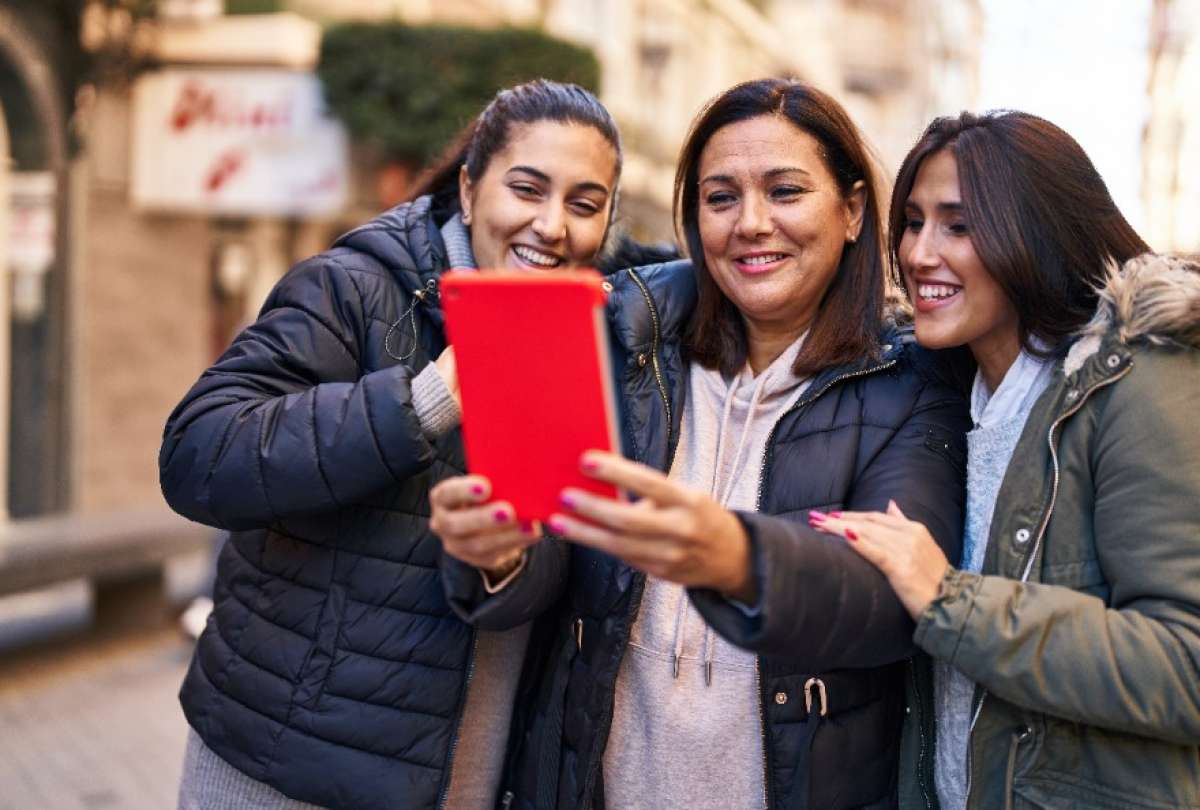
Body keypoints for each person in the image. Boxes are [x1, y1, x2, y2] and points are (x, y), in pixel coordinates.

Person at [431, 78, 971, 809]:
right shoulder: (626, 342)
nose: (750, 223)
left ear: (849, 211)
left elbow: (888, 603)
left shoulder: (913, 382)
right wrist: (499, 557)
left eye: (784, 191)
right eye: (720, 198)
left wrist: (736, 555)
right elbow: (552, 562)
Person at [159, 79, 623, 810]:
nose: (552, 226)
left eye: (585, 204)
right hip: (281, 768)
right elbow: (198, 455)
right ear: (469, 191)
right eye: (527, 189)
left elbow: (545, 569)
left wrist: (504, 563)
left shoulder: (579, 336)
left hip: (456, 775)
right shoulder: (352, 289)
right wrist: (426, 400)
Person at [810, 111, 1200, 809]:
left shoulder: (1138, 385)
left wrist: (948, 600)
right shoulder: (941, 394)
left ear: (1038, 234)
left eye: (960, 226)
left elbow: (1185, 665)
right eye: (914, 221)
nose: (922, 253)